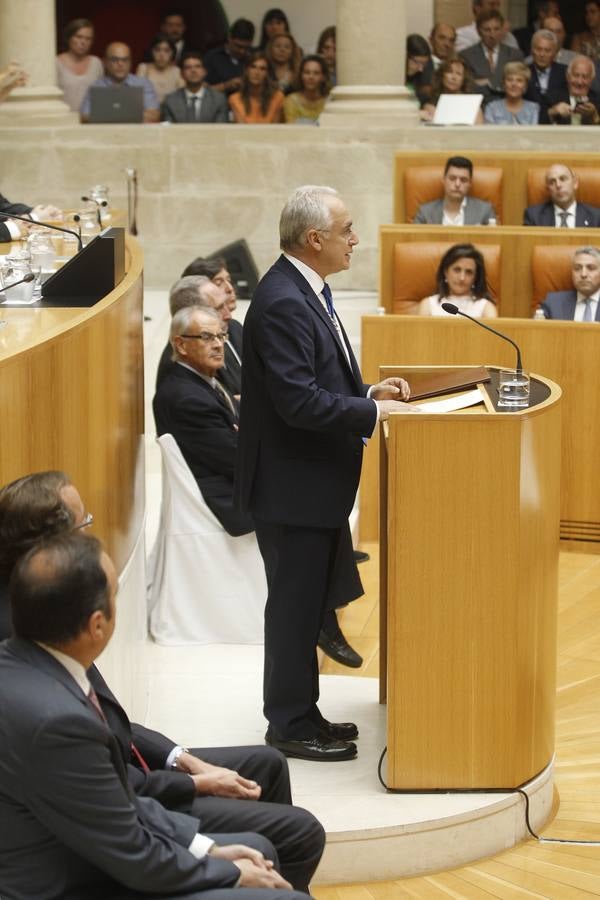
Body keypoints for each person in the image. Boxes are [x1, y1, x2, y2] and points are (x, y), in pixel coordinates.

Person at [0, 470, 325, 894]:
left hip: (103, 829)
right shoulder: (53, 716)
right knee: (262, 861)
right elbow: (126, 834)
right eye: (84, 525)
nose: (90, 531)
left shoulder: (36, 639)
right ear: (96, 625)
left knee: (259, 829)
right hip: (73, 875)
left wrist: (202, 839)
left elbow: (118, 795)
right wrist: (225, 866)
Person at [235, 185, 417, 761]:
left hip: (310, 486)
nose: (356, 239)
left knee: (309, 606)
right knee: (293, 611)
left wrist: (365, 391)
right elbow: (297, 402)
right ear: (315, 240)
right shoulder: (285, 299)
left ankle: (304, 712)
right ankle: (288, 725)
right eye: (348, 230)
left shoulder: (305, 288)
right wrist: (372, 411)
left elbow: (318, 380)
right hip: (292, 489)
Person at [154, 306, 254, 537]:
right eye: (207, 337)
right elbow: (237, 460)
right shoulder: (187, 399)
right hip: (226, 499)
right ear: (180, 344)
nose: (219, 345)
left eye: (221, 336)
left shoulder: (204, 381)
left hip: (233, 482)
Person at [155, 275, 240, 396]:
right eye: (218, 308)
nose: (228, 315)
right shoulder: (182, 371)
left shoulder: (220, 335)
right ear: (192, 314)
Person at [80, 42, 159, 123]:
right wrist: (131, 115)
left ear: (130, 62)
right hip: (105, 134)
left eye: (125, 60)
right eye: (114, 60)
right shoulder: (96, 87)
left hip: (136, 133)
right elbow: (84, 116)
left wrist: (106, 116)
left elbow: (154, 115)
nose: (120, 64)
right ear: (105, 62)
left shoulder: (144, 84)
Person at [418, 243, 497, 318]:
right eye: (457, 270)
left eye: (469, 272)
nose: (462, 278)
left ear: (476, 277)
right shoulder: (428, 305)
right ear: (445, 272)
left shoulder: (486, 308)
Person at [413, 156, 497, 226]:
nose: (457, 184)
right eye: (452, 178)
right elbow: (415, 242)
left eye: (463, 180)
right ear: (444, 180)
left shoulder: (485, 211)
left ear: (470, 184)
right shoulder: (425, 212)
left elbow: (494, 241)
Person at [460, 10, 524, 100]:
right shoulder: (466, 55)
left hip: (507, 106)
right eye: (487, 30)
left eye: (496, 29)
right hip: (478, 107)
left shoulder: (515, 55)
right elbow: (467, 87)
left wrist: (487, 81)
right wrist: (501, 81)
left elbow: (519, 86)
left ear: (502, 29)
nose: (492, 34)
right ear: (478, 31)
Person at [524, 163, 600, 227]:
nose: (558, 185)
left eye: (563, 179)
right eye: (552, 182)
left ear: (575, 183)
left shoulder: (596, 217)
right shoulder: (534, 216)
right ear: (548, 189)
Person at [162, 52, 229, 123]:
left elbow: (221, 130)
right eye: (188, 67)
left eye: (197, 66)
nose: (193, 70)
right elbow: (168, 131)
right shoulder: (170, 101)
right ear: (182, 74)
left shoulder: (218, 100)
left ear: (204, 72)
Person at [55, 17, 104, 113]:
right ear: (69, 38)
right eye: (79, 37)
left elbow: (101, 95)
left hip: (90, 122)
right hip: (64, 120)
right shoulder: (56, 63)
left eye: (88, 39)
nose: (83, 42)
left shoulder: (96, 63)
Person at [541, 246, 600, 320]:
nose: (583, 274)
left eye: (591, 268)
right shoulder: (553, 302)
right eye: (577, 269)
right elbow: (536, 329)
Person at [524, 28, 568, 123]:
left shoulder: (565, 72)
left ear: (555, 53)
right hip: (530, 125)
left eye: (547, 51)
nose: (542, 54)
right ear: (532, 50)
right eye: (538, 49)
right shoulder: (523, 72)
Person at [420, 57, 482, 122]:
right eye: (450, 72)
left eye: (458, 74)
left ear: (464, 79)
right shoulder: (430, 105)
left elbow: (480, 130)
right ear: (441, 75)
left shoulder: (473, 106)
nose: (454, 77)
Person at [229, 52, 285, 123]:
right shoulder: (235, 99)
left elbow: (275, 130)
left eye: (262, 69)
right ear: (246, 70)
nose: (257, 72)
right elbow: (241, 131)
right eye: (253, 67)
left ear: (267, 74)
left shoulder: (278, 97)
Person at [204, 19, 255, 96]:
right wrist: (226, 86)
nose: (242, 51)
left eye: (246, 47)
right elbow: (201, 91)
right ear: (229, 38)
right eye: (238, 46)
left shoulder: (254, 58)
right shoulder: (212, 57)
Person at [547, 55, 600, 124]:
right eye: (576, 75)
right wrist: (553, 111)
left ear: (591, 79)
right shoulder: (552, 96)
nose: (579, 82)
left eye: (585, 77)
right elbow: (538, 122)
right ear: (568, 76)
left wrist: (594, 115)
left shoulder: (597, 100)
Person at [455, 0, 519, 53]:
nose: (496, 9)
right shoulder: (462, 34)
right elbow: (468, 60)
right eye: (492, 4)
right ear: (478, 8)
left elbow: (517, 64)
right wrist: (498, 38)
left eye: (498, 5)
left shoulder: (508, 36)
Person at [137, 33, 183, 104]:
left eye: (166, 51)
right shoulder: (143, 68)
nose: (162, 55)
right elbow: (137, 96)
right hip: (147, 111)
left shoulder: (177, 71)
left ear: (173, 53)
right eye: (157, 50)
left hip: (170, 113)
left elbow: (183, 98)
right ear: (152, 51)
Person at [283, 55, 330, 124]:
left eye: (316, 73)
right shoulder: (291, 101)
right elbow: (291, 129)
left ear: (323, 77)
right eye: (307, 72)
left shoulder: (329, 102)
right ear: (301, 75)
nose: (311, 77)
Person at [405, 34, 434, 103]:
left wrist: (426, 105)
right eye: (417, 62)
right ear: (405, 56)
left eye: (424, 64)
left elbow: (425, 96)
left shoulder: (426, 66)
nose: (421, 69)